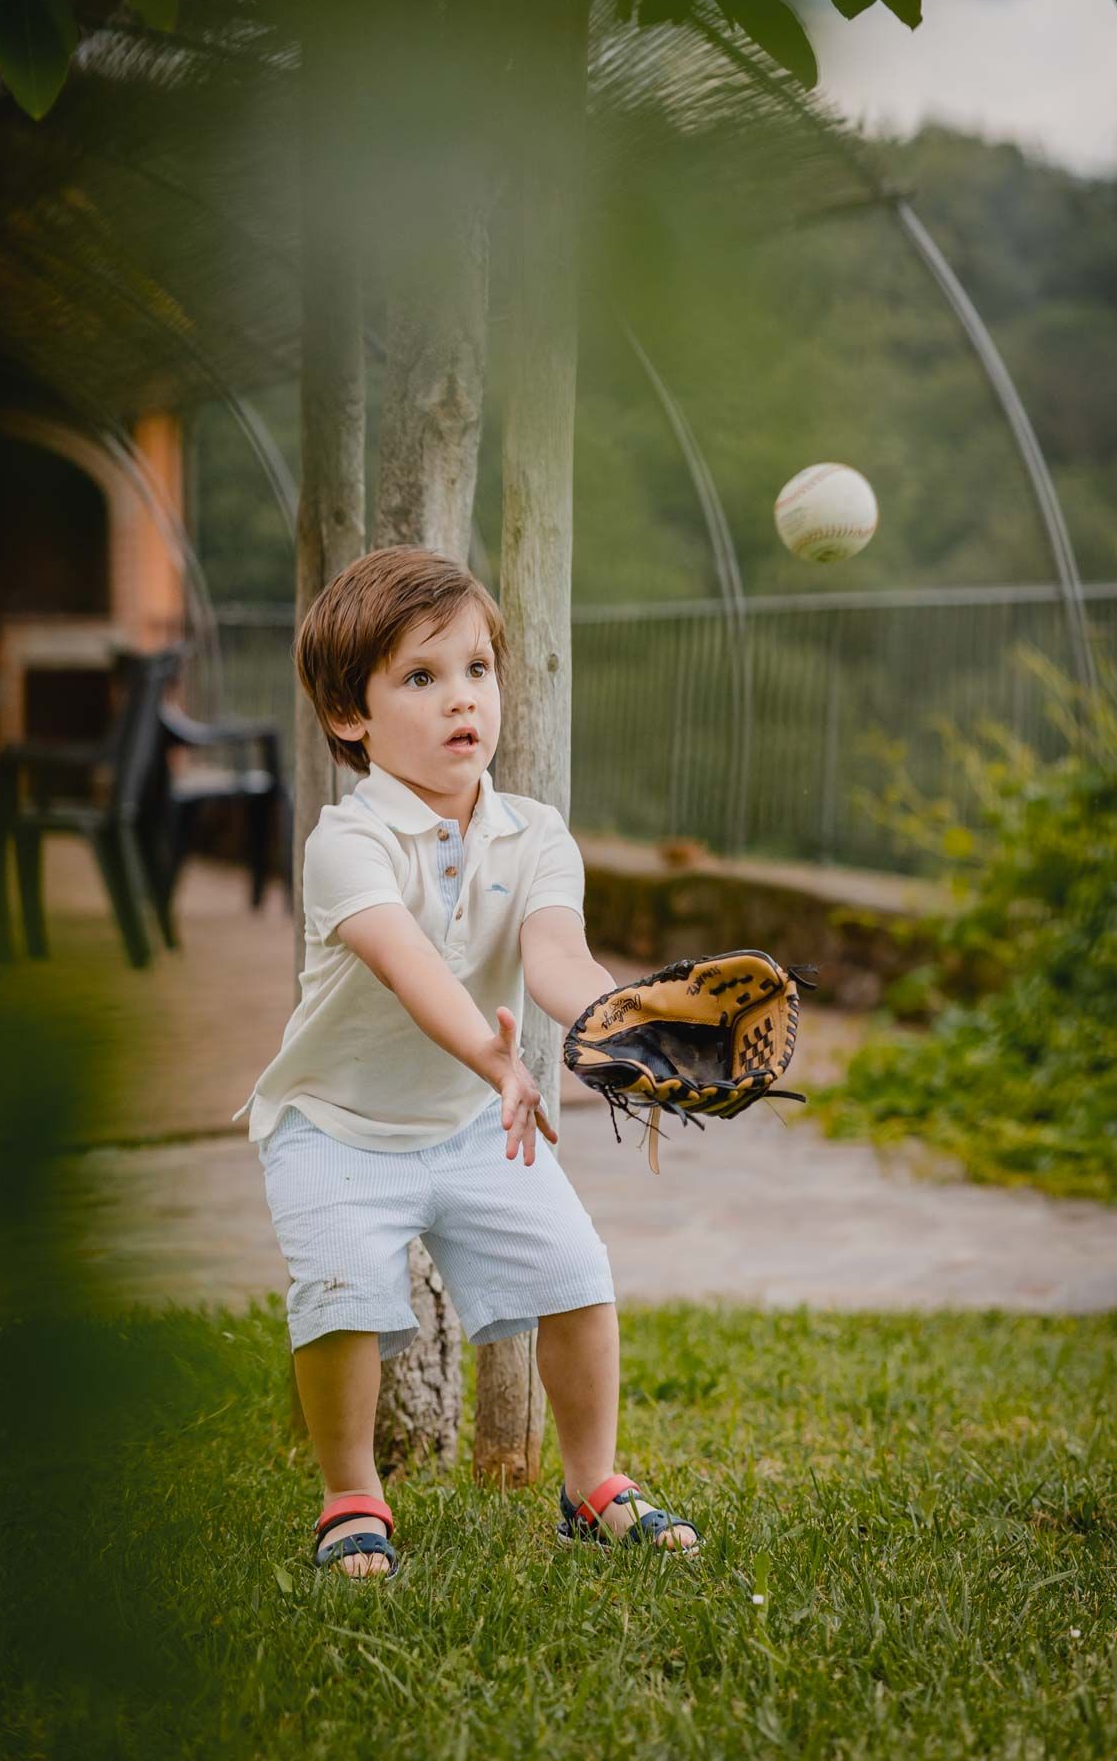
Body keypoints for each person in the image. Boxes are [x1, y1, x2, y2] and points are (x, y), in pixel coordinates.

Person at [235, 545, 701, 1578]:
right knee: (342, 1289)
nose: (463, 700)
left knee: (577, 1276)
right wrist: (498, 1067)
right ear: (350, 718)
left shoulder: (533, 834)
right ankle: (351, 1497)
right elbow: (409, 969)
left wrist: (631, 1026)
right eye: (421, 676)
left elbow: (556, 959)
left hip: (472, 1127)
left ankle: (591, 1489)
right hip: (333, 1127)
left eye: (478, 670)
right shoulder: (344, 843)